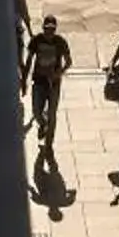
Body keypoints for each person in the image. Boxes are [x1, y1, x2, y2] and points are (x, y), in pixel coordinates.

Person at [24, 14, 71, 146]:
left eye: (52, 29)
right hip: (38, 81)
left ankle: (49, 141)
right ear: (43, 28)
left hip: (53, 83)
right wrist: (24, 80)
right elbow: (29, 60)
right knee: (36, 111)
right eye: (46, 29)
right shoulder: (36, 41)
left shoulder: (60, 42)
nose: (49, 32)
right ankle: (42, 124)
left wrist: (58, 74)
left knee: (52, 112)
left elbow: (68, 61)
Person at [11, 0, 32, 88]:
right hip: (15, 29)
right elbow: (24, 14)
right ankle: (23, 84)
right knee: (20, 61)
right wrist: (30, 31)